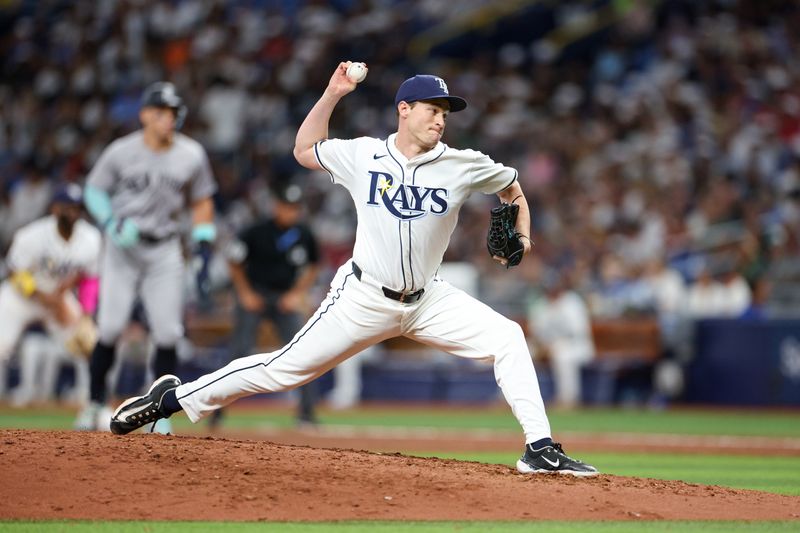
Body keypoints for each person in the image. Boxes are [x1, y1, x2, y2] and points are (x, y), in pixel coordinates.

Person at [109, 64, 597, 476]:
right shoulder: (364, 154)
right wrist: (332, 94)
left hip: (428, 299)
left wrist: (525, 234)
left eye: (445, 112)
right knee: (283, 370)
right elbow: (304, 150)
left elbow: (512, 187)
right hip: (362, 296)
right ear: (404, 110)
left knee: (507, 336)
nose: (440, 120)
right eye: (432, 109)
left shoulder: (463, 164)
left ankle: (540, 448)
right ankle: (172, 399)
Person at [76, 81, 217, 432]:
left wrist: (202, 244)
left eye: (172, 113)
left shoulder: (191, 154)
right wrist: (110, 221)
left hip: (165, 247)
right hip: (122, 248)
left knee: (168, 332)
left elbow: (202, 200)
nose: (168, 119)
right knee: (109, 327)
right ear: (144, 115)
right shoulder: (121, 152)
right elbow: (94, 190)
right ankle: (94, 403)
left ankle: (160, 416)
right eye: (160, 112)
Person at [211, 182, 321, 428]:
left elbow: (314, 265)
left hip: (284, 299)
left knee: (303, 353)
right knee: (238, 353)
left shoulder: (304, 233)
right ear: (276, 206)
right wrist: (245, 293)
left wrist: (296, 294)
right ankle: (216, 413)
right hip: (256, 296)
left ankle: (306, 415)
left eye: (295, 207)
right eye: (287, 206)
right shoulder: (256, 231)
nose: (291, 212)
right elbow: (233, 260)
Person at [0, 184, 101, 404]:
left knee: (86, 341)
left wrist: (85, 313)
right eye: (67, 207)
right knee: (1, 343)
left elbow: (89, 279)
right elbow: (15, 272)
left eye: (76, 208)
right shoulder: (32, 235)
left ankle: (91, 399)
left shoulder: (91, 238)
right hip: (23, 297)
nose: (72, 213)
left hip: (59, 297)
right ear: (55, 209)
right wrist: (42, 296)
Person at [528, 272, 595, 408]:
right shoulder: (541, 304)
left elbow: (578, 332)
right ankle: (508, 397)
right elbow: (535, 332)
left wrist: (552, 345)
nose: (551, 291)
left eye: (554, 287)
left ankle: (568, 399)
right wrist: (543, 345)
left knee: (562, 355)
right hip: (547, 347)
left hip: (577, 347)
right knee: (521, 350)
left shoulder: (572, 302)